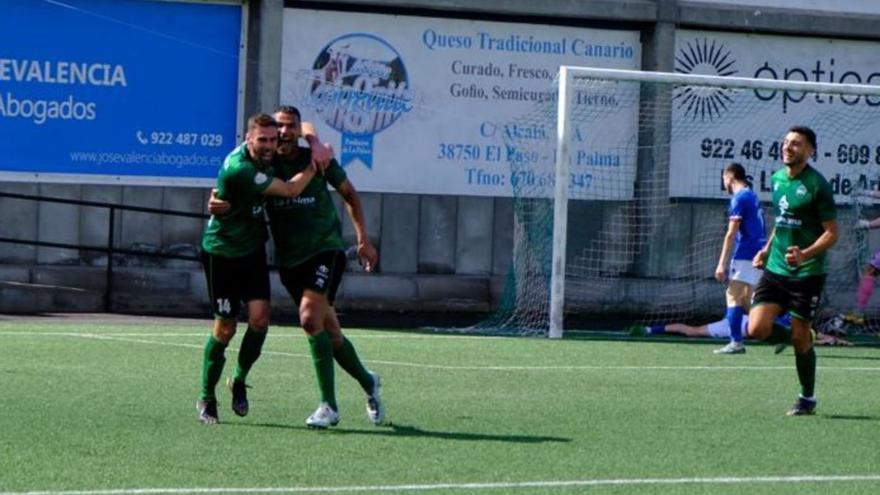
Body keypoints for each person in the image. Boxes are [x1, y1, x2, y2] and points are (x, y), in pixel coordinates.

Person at [210, 106, 384, 429]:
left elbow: (349, 193)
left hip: (325, 251)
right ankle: (368, 382)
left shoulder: (315, 158)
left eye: (290, 127)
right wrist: (215, 200)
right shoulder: (264, 162)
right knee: (330, 332)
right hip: (290, 261)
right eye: (279, 128)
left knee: (308, 317)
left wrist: (363, 239)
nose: (285, 132)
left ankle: (328, 407)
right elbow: (232, 181)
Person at [196, 112, 330, 425]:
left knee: (259, 320)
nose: (270, 145)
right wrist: (315, 163)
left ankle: (239, 380)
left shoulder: (268, 152)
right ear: (248, 139)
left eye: (273, 139)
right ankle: (206, 396)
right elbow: (290, 191)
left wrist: (314, 142)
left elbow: (304, 123)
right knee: (225, 329)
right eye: (263, 140)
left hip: (252, 249)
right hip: (223, 253)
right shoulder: (241, 168)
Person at [747, 125, 839, 416]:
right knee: (756, 328)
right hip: (776, 268)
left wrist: (805, 254)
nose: (788, 147)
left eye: (796, 144)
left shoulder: (817, 186)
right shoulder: (776, 179)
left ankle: (807, 398)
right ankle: (800, 337)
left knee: (801, 339)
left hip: (806, 272)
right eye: (786, 142)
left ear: (810, 150)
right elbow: (782, 220)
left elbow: (832, 234)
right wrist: (766, 248)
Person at [713, 162, 766, 355]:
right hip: (759, 252)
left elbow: (731, 233)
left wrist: (721, 264)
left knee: (732, 295)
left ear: (730, 177)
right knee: (750, 300)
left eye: (724, 180)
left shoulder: (739, 198)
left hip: (746, 252)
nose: (724, 183)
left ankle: (736, 343)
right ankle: (782, 330)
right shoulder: (751, 195)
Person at [629, 313, 851, 346]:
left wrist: (833, 341)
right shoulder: (784, 324)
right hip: (740, 324)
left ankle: (650, 330)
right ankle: (650, 330)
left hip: (739, 320)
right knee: (693, 332)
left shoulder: (785, 323)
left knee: (692, 331)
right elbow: (810, 336)